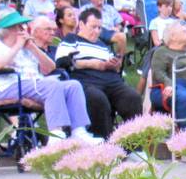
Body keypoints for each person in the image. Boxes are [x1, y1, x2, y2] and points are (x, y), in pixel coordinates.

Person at [0, 11, 98, 142]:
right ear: (8, 30)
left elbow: (50, 68)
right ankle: (56, 135)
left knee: (73, 85)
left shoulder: (27, 47)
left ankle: (79, 132)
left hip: (34, 85)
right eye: (19, 27)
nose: (24, 30)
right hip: (6, 87)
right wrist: (17, 45)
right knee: (51, 85)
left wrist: (33, 47)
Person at [56, 7, 142, 138]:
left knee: (133, 97)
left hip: (111, 80)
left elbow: (115, 68)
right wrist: (93, 64)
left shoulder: (102, 45)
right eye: (93, 27)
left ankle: (135, 146)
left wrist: (115, 65)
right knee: (98, 99)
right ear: (81, 24)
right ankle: (104, 143)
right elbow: (62, 62)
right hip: (86, 80)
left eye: (99, 28)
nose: (96, 31)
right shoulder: (71, 40)